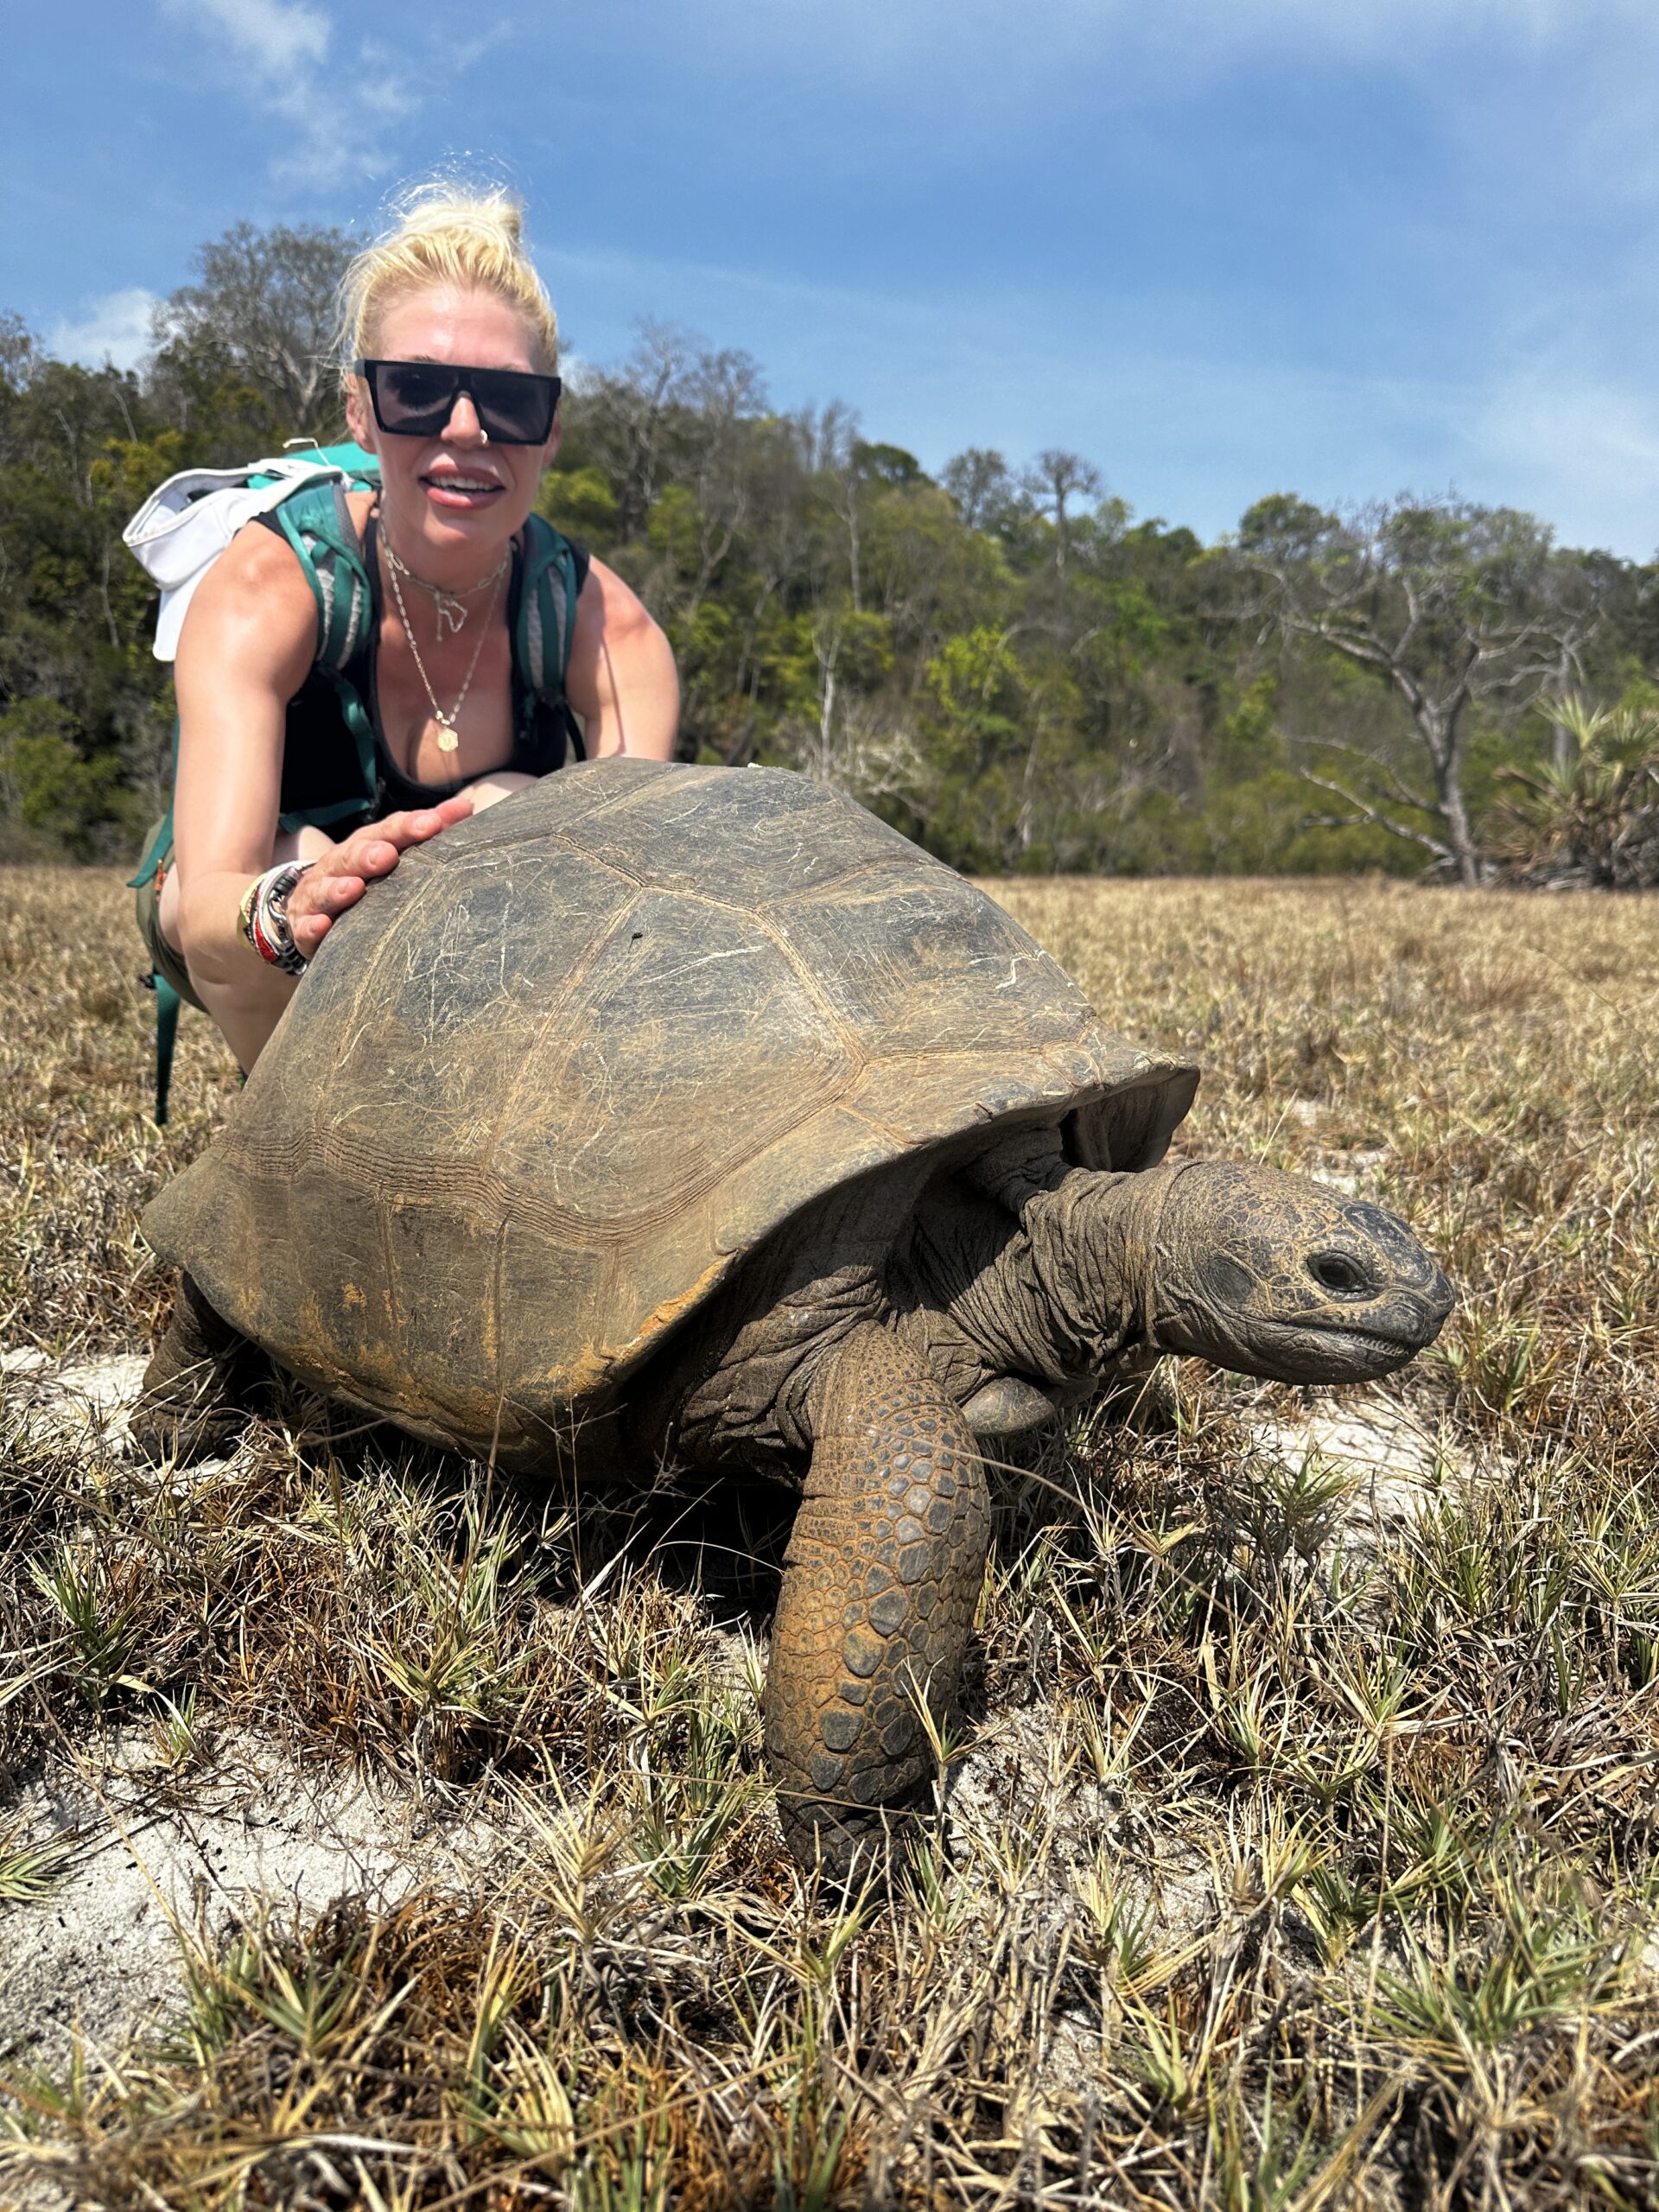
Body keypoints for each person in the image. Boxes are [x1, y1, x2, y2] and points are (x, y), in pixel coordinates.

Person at [143, 182, 679, 1077]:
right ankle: (287, 1135)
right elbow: (206, 910)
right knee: (288, 859)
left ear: (549, 433)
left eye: (509, 404)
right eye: (419, 390)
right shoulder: (262, 588)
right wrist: (297, 904)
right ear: (360, 411)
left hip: (485, 922)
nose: (466, 430)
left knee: (519, 798)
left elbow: (633, 906)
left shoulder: (613, 631)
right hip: (264, 917)